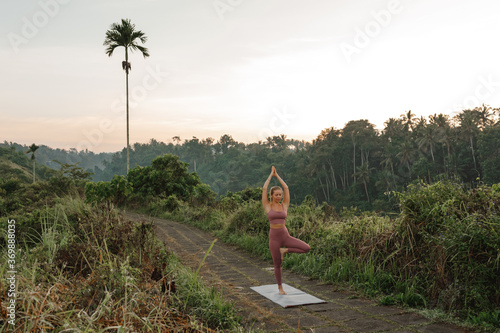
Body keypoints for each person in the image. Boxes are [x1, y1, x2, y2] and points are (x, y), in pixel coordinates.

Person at [262, 166, 310, 295]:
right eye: (277, 195)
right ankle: (280, 287)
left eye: (280, 195)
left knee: (306, 248)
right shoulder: (267, 206)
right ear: (272, 196)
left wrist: (277, 176)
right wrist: (270, 176)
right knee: (277, 264)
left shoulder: (284, 205)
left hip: (285, 236)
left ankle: (285, 250)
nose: (279, 196)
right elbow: (264, 188)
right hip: (274, 238)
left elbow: (287, 188)